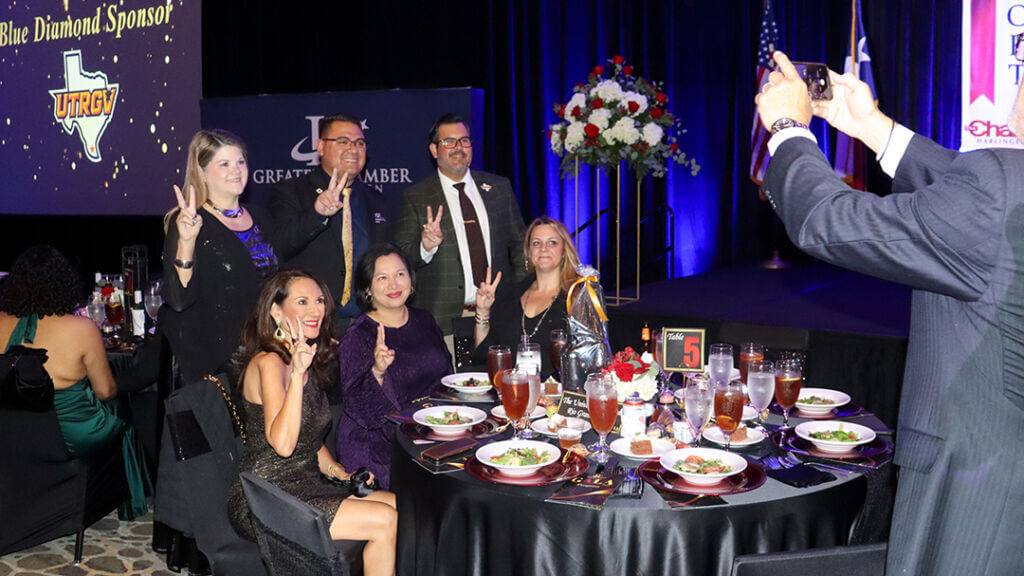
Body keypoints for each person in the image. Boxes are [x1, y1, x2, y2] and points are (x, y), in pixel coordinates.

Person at [756, 51, 1024, 576]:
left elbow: (826, 221)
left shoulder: (1001, 184)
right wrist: (872, 128)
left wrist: (788, 129)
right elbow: (965, 191)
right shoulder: (1002, 187)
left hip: (974, 484)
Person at [226, 269, 397, 576]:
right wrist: (295, 375)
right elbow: (283, 443)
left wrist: (339, 472)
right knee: (385, 520)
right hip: (266, 496)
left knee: (399, 506)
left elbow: (311, 439)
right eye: (302, 302)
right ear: (276, 312)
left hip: (305, 484)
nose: (315, 310)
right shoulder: (268, 363)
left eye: (319, 301)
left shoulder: (306, 357)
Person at [0, 246, 147, 519]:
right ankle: (129, 504)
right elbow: (105, 391)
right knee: (120, 411)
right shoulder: (82, 328)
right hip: (66, 437)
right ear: (64, 283)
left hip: (10, 434)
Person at [394, 113, 527, 347]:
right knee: (451, 384)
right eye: (449, 142)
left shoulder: (498, 188)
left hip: (499, 316)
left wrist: (519, 298)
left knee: (500, 381)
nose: (459, 147)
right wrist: (425, 247)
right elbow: (402, 257)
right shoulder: (416, 196)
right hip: (444, 322)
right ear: (434, 150)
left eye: (464, 141)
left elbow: (520, 247)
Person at [162, 129, 278, 384]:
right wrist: (187, 241)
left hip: (264, 350)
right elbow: (178, 300)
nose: (236, 170)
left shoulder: (261, 217)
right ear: (202, 173)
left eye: (240, 162)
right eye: (224, 164)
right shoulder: (188, 222)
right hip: (217, 363)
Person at [335, 244, 451, 488]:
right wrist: (377, 371)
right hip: (379, 448)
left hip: (432, 434)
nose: (394, 285)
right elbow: (357, 407)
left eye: (400, 274)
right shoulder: (359, 335)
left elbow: (446, 379)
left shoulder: (424, 319)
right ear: (367, 289)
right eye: (382, 278)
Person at [270, 113, 392, 336]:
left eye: (359, 143)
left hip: (369, 323)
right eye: (343, 142)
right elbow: (280, 246)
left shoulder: (376, 200)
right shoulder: (292, 191)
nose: (353, 149)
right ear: (320, 146)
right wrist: (317, 214)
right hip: (314, 324)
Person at [470, 217, 581, 377]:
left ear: (564, 250)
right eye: (536, 243)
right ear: (529, 252)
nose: (543, 248)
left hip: (557, 396)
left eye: (552, 242)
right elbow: (488, 354)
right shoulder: (510, 296)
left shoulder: (577, 298)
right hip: (510, 393)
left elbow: (588, 361)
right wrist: (482, 311)